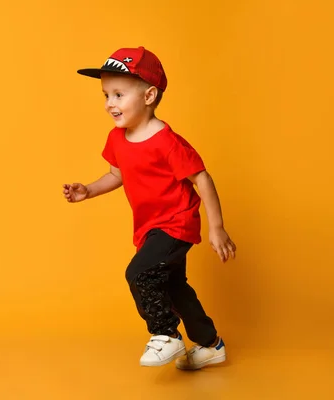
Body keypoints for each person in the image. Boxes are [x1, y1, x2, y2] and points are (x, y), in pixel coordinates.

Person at [62, 46, 237, 370]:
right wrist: (88, 190)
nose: (109, 103)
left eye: (118, 94)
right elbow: (116, 175)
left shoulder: (167, 141)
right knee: (174, 288)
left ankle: (165, 334)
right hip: (149, 227)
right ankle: (212, 345)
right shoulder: (117, 138)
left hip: (176, 223)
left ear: (149, 95)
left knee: (139, 273)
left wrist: (216, 227)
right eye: (106, 95)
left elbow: (201, 177)